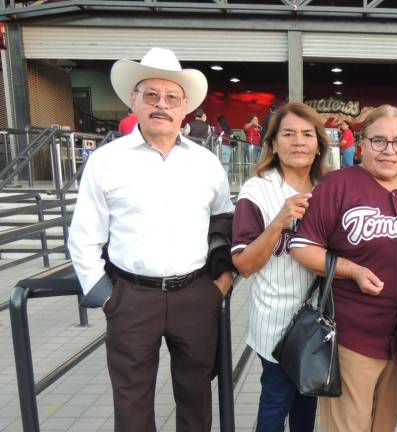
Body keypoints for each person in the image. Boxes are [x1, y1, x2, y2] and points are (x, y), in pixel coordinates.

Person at [67, 47, 235, 432]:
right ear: (134, 101)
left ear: (184, 107)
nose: (162, 104)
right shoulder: (106, 161)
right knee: (131, 399)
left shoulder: (206, 162)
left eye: (172, 97)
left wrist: (221, 280)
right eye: (151, 95)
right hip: (130, 297)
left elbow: (223, 220)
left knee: (196, 395)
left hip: (194, 294)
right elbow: (84, 233)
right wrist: (104, 294)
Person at [289, 105, 397, 431]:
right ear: (361, 144)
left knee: (383, 426)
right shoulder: (337, 185)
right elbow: (301, 247)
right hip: (352, 337)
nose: (390, 150)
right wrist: (351, 270)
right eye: (379, 141)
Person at [231, 102, 329, 432]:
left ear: (319, 144)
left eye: (307, 134)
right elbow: (244, 265)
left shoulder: (331, 188)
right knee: (277, 398)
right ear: (273, 143)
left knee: (307, 400)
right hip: (276, 322)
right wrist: (277, 223)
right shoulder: (257, 190)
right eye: (288, 134)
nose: (298, 142)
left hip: (321, 320)